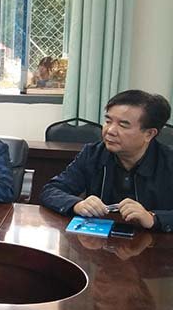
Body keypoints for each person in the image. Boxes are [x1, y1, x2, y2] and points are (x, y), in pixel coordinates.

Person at [40, 90, 173, 232]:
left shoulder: (168, 161)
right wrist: (76, 204)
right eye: (108, 121)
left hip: (155, 241)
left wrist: (153, 218)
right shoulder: (93, 154)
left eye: (123, 125)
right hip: (98, 240)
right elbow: (50, 191)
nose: (110, 131)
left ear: (149, 134)